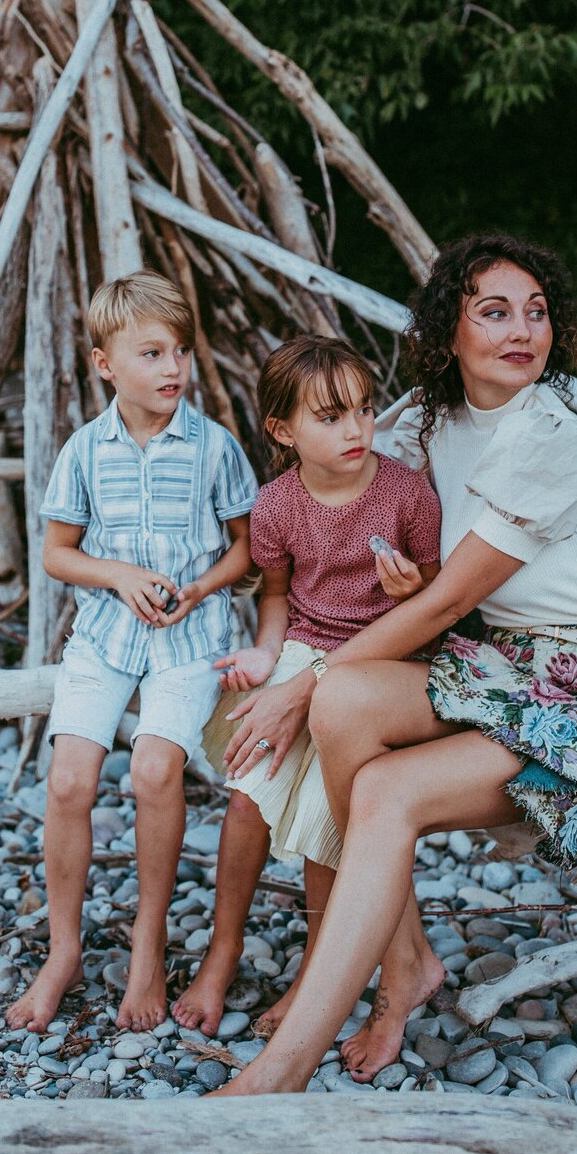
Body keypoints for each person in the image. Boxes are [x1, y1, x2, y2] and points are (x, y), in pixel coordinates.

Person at [213, 232, 577, 1094]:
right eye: (495, 312)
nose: (523, 332)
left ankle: (282, 1071)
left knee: (378, 781)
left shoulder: (549, 435)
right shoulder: (426, 420)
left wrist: (296, 683)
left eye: (537, 313)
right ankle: (408, 966)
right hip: (505, 669)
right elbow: (331, 456)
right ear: (449, 332)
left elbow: (438, 606)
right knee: (350, 701)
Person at [173, 334, 441, 1076]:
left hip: (381, 658)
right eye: (330, 417)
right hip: (302, 649)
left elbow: (436, 596)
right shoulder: (278, 504)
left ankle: (314, 976)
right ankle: (223, 952)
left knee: (326, 823)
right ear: (284, 430)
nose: (356, 430)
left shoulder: (406, 492)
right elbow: (278, 593)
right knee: (248, 796)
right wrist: (266, 653)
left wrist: (410, 594)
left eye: (362, 410)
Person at [7, 270, 257, 1034]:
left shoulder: (214, 448)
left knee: (154, 770)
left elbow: (249, 551)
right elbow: (57, 554)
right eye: (151, 353)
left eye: (180, 350)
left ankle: (148, 947)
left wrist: (201, 587)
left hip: (190, 639)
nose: (173, 368)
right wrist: (115, 574)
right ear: (104, 364)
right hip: (106, 639)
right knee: (69, 781)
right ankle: (65, 948)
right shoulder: (86, 450)